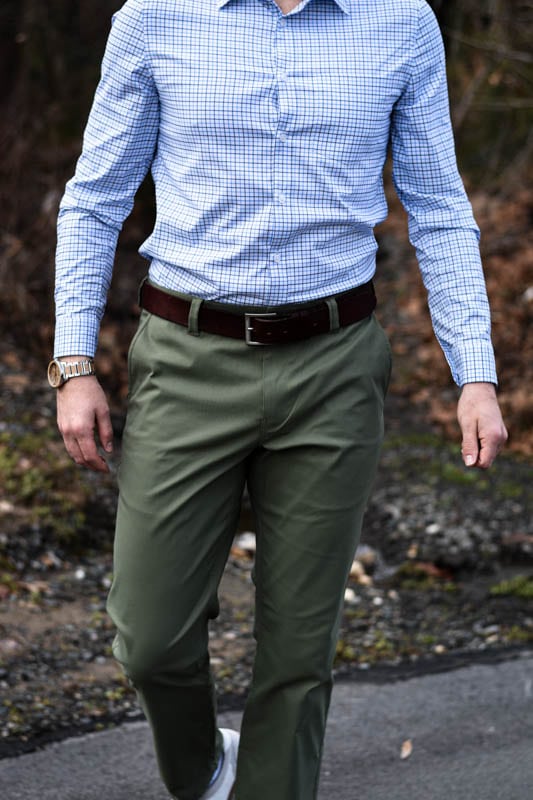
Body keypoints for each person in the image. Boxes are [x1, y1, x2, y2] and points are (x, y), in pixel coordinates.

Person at [49, 0, 508, 798]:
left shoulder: (400, 21)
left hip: (333, 366)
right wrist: (73, 361)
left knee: (298, 654)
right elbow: (94, 199)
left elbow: (438, 207)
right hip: (187, 361)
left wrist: (474, 372)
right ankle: (202, 772)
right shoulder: (155, 17)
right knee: (149, 640)